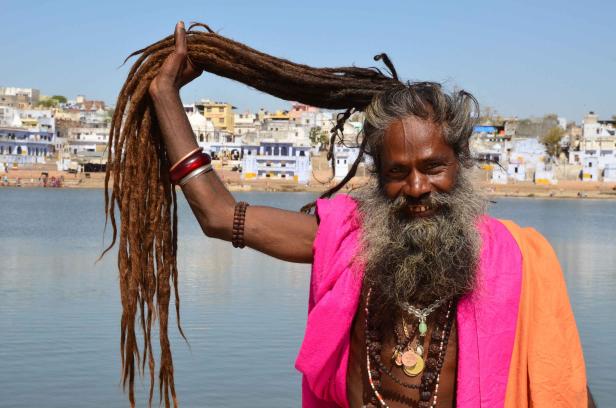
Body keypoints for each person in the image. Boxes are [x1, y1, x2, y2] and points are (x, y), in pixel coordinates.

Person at [147, 22, 590, 407]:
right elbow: (220, 215)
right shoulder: (347, 242)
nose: (416, 189)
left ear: (462, 163)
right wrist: (165, 94)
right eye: (398, 172)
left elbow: (564, 387)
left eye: (433, 167)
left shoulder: (519, 262)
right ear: (377, 178)